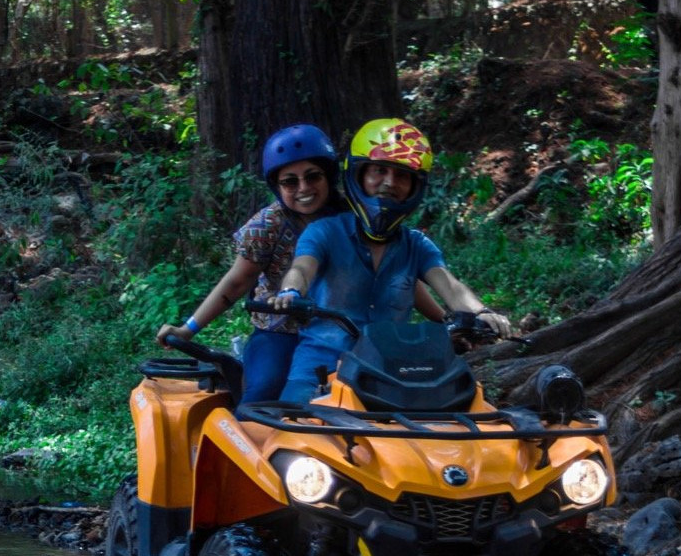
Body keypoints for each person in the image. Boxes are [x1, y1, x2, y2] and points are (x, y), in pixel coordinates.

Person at [156, 123, 445, 404]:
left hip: (346, 335)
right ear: (276, 186)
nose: (303, 188)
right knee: (264, 393)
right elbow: (237, 281)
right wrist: (188, 329)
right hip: (281, 331)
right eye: (290, 181)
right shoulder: (267, 225)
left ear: (330, 177)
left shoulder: (358, 216)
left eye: (313, 177)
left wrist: (445, 321)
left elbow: (397, 273)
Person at [271, 117, 512, 404]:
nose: (389, 182)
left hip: (390, 373)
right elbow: (302, 268)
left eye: (402, 175)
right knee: (293, 421)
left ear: (415, 186)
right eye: (379, 170)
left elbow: (449, 285)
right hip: (320, 369)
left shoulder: (417, 245)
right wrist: (291, 291)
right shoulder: (324, 231)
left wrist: (482, 312)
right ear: (358, 175)